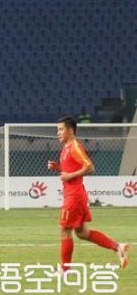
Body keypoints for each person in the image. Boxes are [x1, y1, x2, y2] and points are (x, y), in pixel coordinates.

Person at [47, 116, 128, 272]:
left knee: (64, 230)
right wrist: (57, 167)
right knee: (83, 233)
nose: (58, 132)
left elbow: (90, 167)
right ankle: (118, 247)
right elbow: (70, 169)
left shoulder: (74, 147)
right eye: (57, 129)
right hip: (76, 195)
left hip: (74, 196)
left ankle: (64, 270)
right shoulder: (66, 148)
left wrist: (69, 176)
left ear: (70, 130)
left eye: (61, 129)